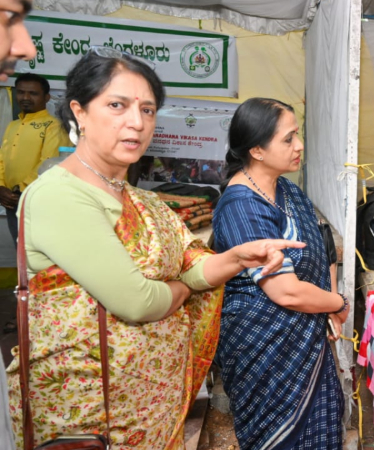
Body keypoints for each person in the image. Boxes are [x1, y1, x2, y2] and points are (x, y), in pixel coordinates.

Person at [6, 49, 303, 449]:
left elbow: (193, 266)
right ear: (79, 111)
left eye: (147, 110)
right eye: (117, 105)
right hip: (90, 417)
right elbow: (139, 302)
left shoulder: (142, 200)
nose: (137, 122)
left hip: (151, 409)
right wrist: (181, 290)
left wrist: (234, 259)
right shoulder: (60, 196)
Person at [212, 98, 347, 450]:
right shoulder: (242, 205)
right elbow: (285, 292)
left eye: (297, 135)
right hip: (265, 351)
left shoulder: (287, 190)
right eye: (288, 139)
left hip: (306, 339)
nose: (299, 146)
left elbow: (322, 246)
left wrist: (326, 304)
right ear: (256, 149)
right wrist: (337, 302)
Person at [0, 1, 36, 447]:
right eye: (9, 17)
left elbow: (40, 168)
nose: (25, 45)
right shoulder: (12, 126)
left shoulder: (45, 126)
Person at [0, 73, 71, 244]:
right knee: (21, 253)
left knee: (38, 255)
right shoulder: (13, 125)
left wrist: (18, 190)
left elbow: (48, 162)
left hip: (36, 201)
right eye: (21, 92)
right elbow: (3, 159)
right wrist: (1, 187)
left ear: (46, 97)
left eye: (33, 93)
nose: (25, 97)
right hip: (11, 201)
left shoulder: (54, 126)